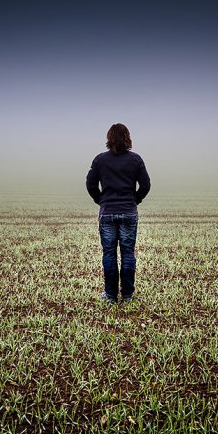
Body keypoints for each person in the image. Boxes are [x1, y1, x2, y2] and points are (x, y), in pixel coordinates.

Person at [86, 123, 151, 303]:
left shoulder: (100, 160)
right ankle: (128, 295)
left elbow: (90, 185)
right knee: (128, 253)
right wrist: (135, 200)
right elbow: (145, 185)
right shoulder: (136, 160)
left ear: (109, 138)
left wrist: (101, 200)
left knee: (109, 253)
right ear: (127, 138)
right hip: (128, 212)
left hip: (107, 212)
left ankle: (111, 296)